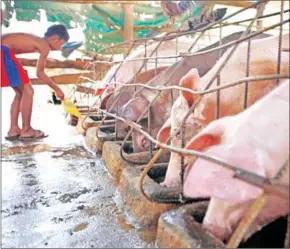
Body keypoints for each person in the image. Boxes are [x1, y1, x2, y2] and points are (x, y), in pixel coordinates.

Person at [1, 23, 69, 141]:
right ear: (55, 38)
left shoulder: (36, 40)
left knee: (20, 92)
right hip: (4, 51)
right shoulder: (44, 46)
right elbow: (40, 73)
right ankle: (26, 129)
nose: (60, 48)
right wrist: (57, 89)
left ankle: (13, 129)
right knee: (28, 90)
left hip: (4, 50)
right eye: (61, 44)